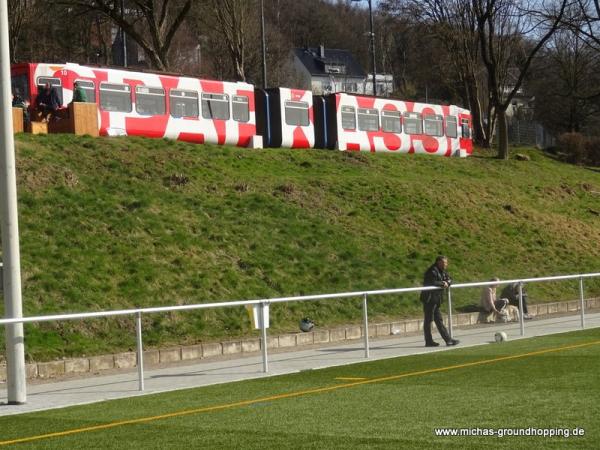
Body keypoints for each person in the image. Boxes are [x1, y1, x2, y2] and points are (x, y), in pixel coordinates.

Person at [420, 255, 459, 347]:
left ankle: (448, 340)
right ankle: (429, 341)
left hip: (436, 299)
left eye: (446, 263)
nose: (446, 264)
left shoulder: (442, 271)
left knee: (439, 320)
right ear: (438, 262)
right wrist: (443, 283)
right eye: (444, 263)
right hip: (429, 299)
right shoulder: (432, 271)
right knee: (428, 320)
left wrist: (447, 282)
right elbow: (431, 282)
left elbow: (450, 279)